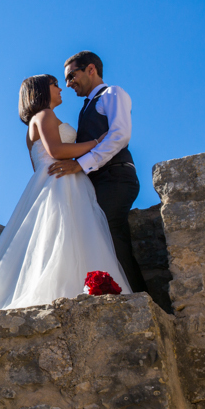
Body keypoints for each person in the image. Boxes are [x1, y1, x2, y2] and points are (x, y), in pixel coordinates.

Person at [0, 74, 130, 316]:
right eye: (55, 85)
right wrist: (97, 142)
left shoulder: (37, 121)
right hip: (61, 180)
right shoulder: (44, 115)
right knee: (68, 234)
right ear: (42, 91)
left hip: (52, 179)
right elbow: (56, 150)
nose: (61, 89)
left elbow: (38, 163)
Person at [49, 51, 148, 293]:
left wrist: (81, 164)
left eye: (72, 76)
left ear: (91, 69)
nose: (68, 83)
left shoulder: (112, 94)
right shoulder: (85, 108)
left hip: (115, 177)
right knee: (98, 237)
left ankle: (138, 298)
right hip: (98, 181)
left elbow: (120, 135)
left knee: (111, 235)